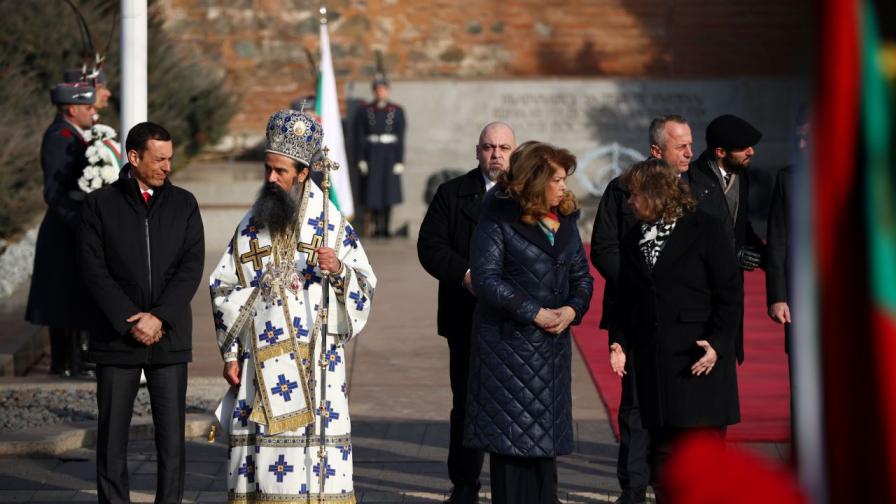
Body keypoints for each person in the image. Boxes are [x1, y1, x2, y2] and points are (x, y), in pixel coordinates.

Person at [210, 109, 377, 502]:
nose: (271, 179)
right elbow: (223, 285)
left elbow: (365, 285)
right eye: (267, 169)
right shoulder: (251, 224)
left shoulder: (330, 224)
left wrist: (337, 270)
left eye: (280, 172)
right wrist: (232, 353)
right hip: (261, 365)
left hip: (314, 363)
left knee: (312, 465)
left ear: (303, 173)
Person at [79, 122, 205, 502]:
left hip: (169, 337)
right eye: (159, 159)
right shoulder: (99, 205)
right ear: (134, 158)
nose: (168, 167)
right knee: (112, 438)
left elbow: (191, 266)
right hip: (118, 339)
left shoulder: (184, 203)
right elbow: (92, 269)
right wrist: (129, 318)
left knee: (171, 442)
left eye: (170, 158)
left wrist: (159, 317)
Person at [465, 141, 593, 504]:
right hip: (508, 347)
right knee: (511, 449)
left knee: (544, 451)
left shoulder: (565, 219)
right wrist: (533, 312)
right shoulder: (497, 218)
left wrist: (571, 311)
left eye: (565, 179)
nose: (564, 186)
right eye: (557, 179)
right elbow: (487, 279)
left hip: (551, 349)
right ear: (536, 181)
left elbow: (583, 277)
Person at [608, 159, 742, 503]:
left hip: (698, 362)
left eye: (634, 194)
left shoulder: (705, 229)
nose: (629, 202)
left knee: (699, 460)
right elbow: (626, 296)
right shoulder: (634, 237)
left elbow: (729, 293)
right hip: (656, 366)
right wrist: (618, 341)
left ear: (655, 194)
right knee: (663, 460)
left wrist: (717, 343)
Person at [590, 115, 693, 504]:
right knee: (634, 405)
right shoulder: (621, 191)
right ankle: (632, 489)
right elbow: (604, 247)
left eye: (690, 144)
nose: (689, 152)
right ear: (656, 151)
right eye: (680, 145)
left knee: (674, 406)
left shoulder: (694, 187)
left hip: (679, 318)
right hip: (631, 310)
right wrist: (640, 283)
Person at [417, 121, 517, 503]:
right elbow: (431, 246)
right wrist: (465, 274)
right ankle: (464, 483)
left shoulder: (527, 195)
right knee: (468, 402)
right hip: (466, 315)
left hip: (514, 320)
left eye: (504, 148)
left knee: (512, 402)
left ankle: (512, 484)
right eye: (489, 147)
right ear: (477, 151)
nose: (496, 155)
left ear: (514, 151)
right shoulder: (452, 194)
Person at [25, 81, 97, 377]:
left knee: (73, 298)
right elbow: (54, 191)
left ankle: (75, 362)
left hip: (73, 227)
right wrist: (80, 222)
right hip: (64, 231)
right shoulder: (60, 137)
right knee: (63, 299)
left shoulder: (75, 135)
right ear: (72, 109)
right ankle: (65, 365)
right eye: (88, 107)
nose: (93, 113)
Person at [688, 114, 764, 364]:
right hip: (699, 293)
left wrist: (767, 257)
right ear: (720, 151)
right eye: (744, 148)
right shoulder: (690, 181)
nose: (751, 152)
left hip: (730, 290)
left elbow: (740, 226)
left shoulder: (741, 176)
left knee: (727, 358)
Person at [766, 112, 809, 463]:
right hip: (799, 296)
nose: (801, 145)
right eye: (797, 137)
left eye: (808, 137)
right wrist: (777, 296)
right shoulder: (787, 179)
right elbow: (777, 242)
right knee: (800, 377)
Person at [354, 75, 405, 237]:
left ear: (387, 91)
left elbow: (401, 136)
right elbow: (359, 136)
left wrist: (399, 160)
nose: (380, 92)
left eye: (382, 89)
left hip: (389, 154)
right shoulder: (365, 111)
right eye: (377, 90)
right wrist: (361, 158)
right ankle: (375, 227)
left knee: (388, 191)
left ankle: (386, 227)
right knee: (373, 191)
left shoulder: (396, 111)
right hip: (372, 154)